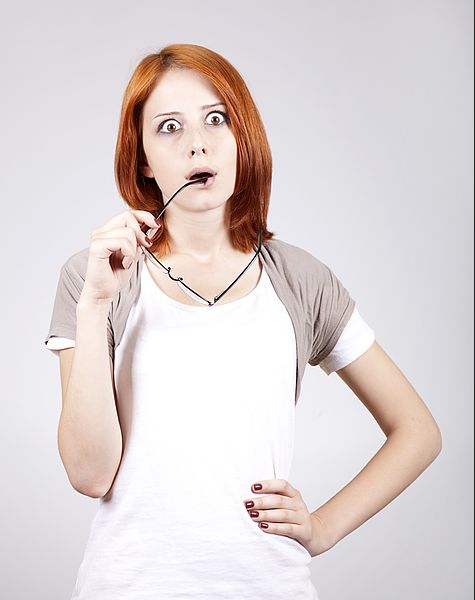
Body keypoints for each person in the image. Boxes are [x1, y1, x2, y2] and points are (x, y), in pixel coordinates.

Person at [44, 43, 442, 599]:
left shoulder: (300, 280)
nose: (197, 142)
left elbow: (418, 432)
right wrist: (93, 305)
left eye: (216, 118)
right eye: (168, 128)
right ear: (143, 162)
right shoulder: (94, 278)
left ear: (241, 139)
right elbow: (89, 475)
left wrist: (322, 527)